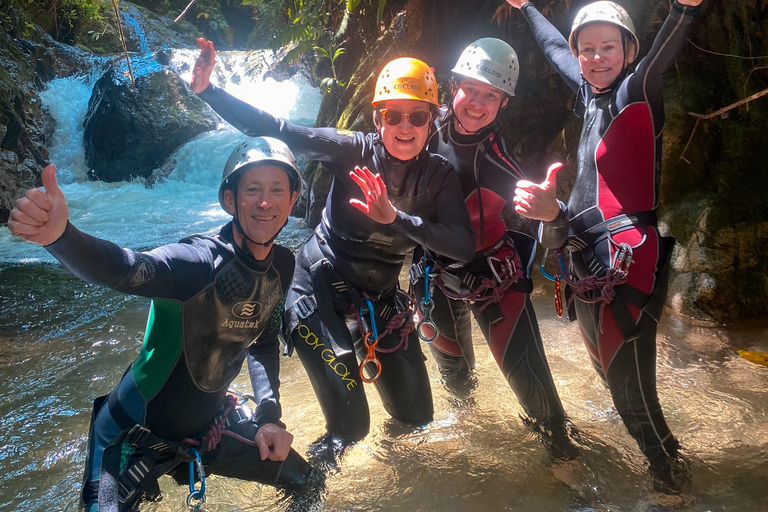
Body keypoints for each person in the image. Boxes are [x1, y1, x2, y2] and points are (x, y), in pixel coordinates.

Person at [189, 39, 475, 444]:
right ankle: (306, 498)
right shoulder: (351, 151)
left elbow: (464, 245)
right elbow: (278, 130)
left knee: (417, 420)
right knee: (349, 429)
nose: (405, 127)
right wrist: (208, 91)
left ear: (432, 120)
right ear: (379, 120)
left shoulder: (439, 175)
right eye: (393, 115)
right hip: (317, 294)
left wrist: (397, 219)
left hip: (382, 299)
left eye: (417, 116)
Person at [7, 137, 314, 511]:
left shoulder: (282, 266)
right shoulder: (196, 263)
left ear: (293, 199)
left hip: (209, 429)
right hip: (131, 437)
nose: (265, 202)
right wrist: (61, 237)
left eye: (276, 190)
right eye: (252, 189)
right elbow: (126, 268)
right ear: (230, 200)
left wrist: (269, 417)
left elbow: (264, 343)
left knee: (306, 481)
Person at [505, 0, 704, 493]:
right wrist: (525, 5)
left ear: (627, 51)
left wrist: (685, 8)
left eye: (608, 48)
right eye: (587, 50)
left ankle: (674, 489)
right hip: (586, 256)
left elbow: (662, 54)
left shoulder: (637, 90)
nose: (596, 58)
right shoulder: (588, 92)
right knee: (612, 382)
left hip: (627, 261)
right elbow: (555, 49)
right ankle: (669, 475)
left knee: (634, 398)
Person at [410, 37, 575, 459]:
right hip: (432, 273)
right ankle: (468, 453)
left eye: (491, 95)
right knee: (457, 383)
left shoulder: (501, 163)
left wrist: (551, 212)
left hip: (491, 277)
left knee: (540, 402)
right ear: (452, 88)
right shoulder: (424, 129)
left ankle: (570, 473)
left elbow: (556, 227)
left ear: (504, 104)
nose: (477, 103)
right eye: (471, 89)